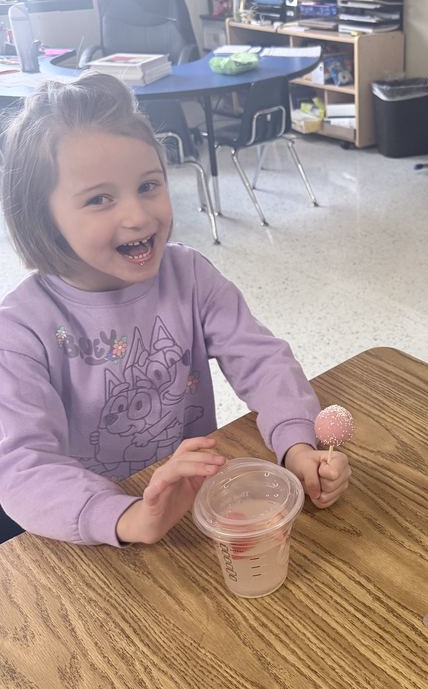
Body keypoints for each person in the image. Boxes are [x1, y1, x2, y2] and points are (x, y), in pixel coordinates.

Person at [0, 73, 350, 546]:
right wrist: (126, 517)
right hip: (95, 530)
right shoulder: (20, 330)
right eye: (100, 199)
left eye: (148, 185)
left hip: (194, 509)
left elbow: (261, 359)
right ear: (43, 219)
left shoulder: (189, 275)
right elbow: (23, 467)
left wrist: (296, 444)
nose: (139, 216)